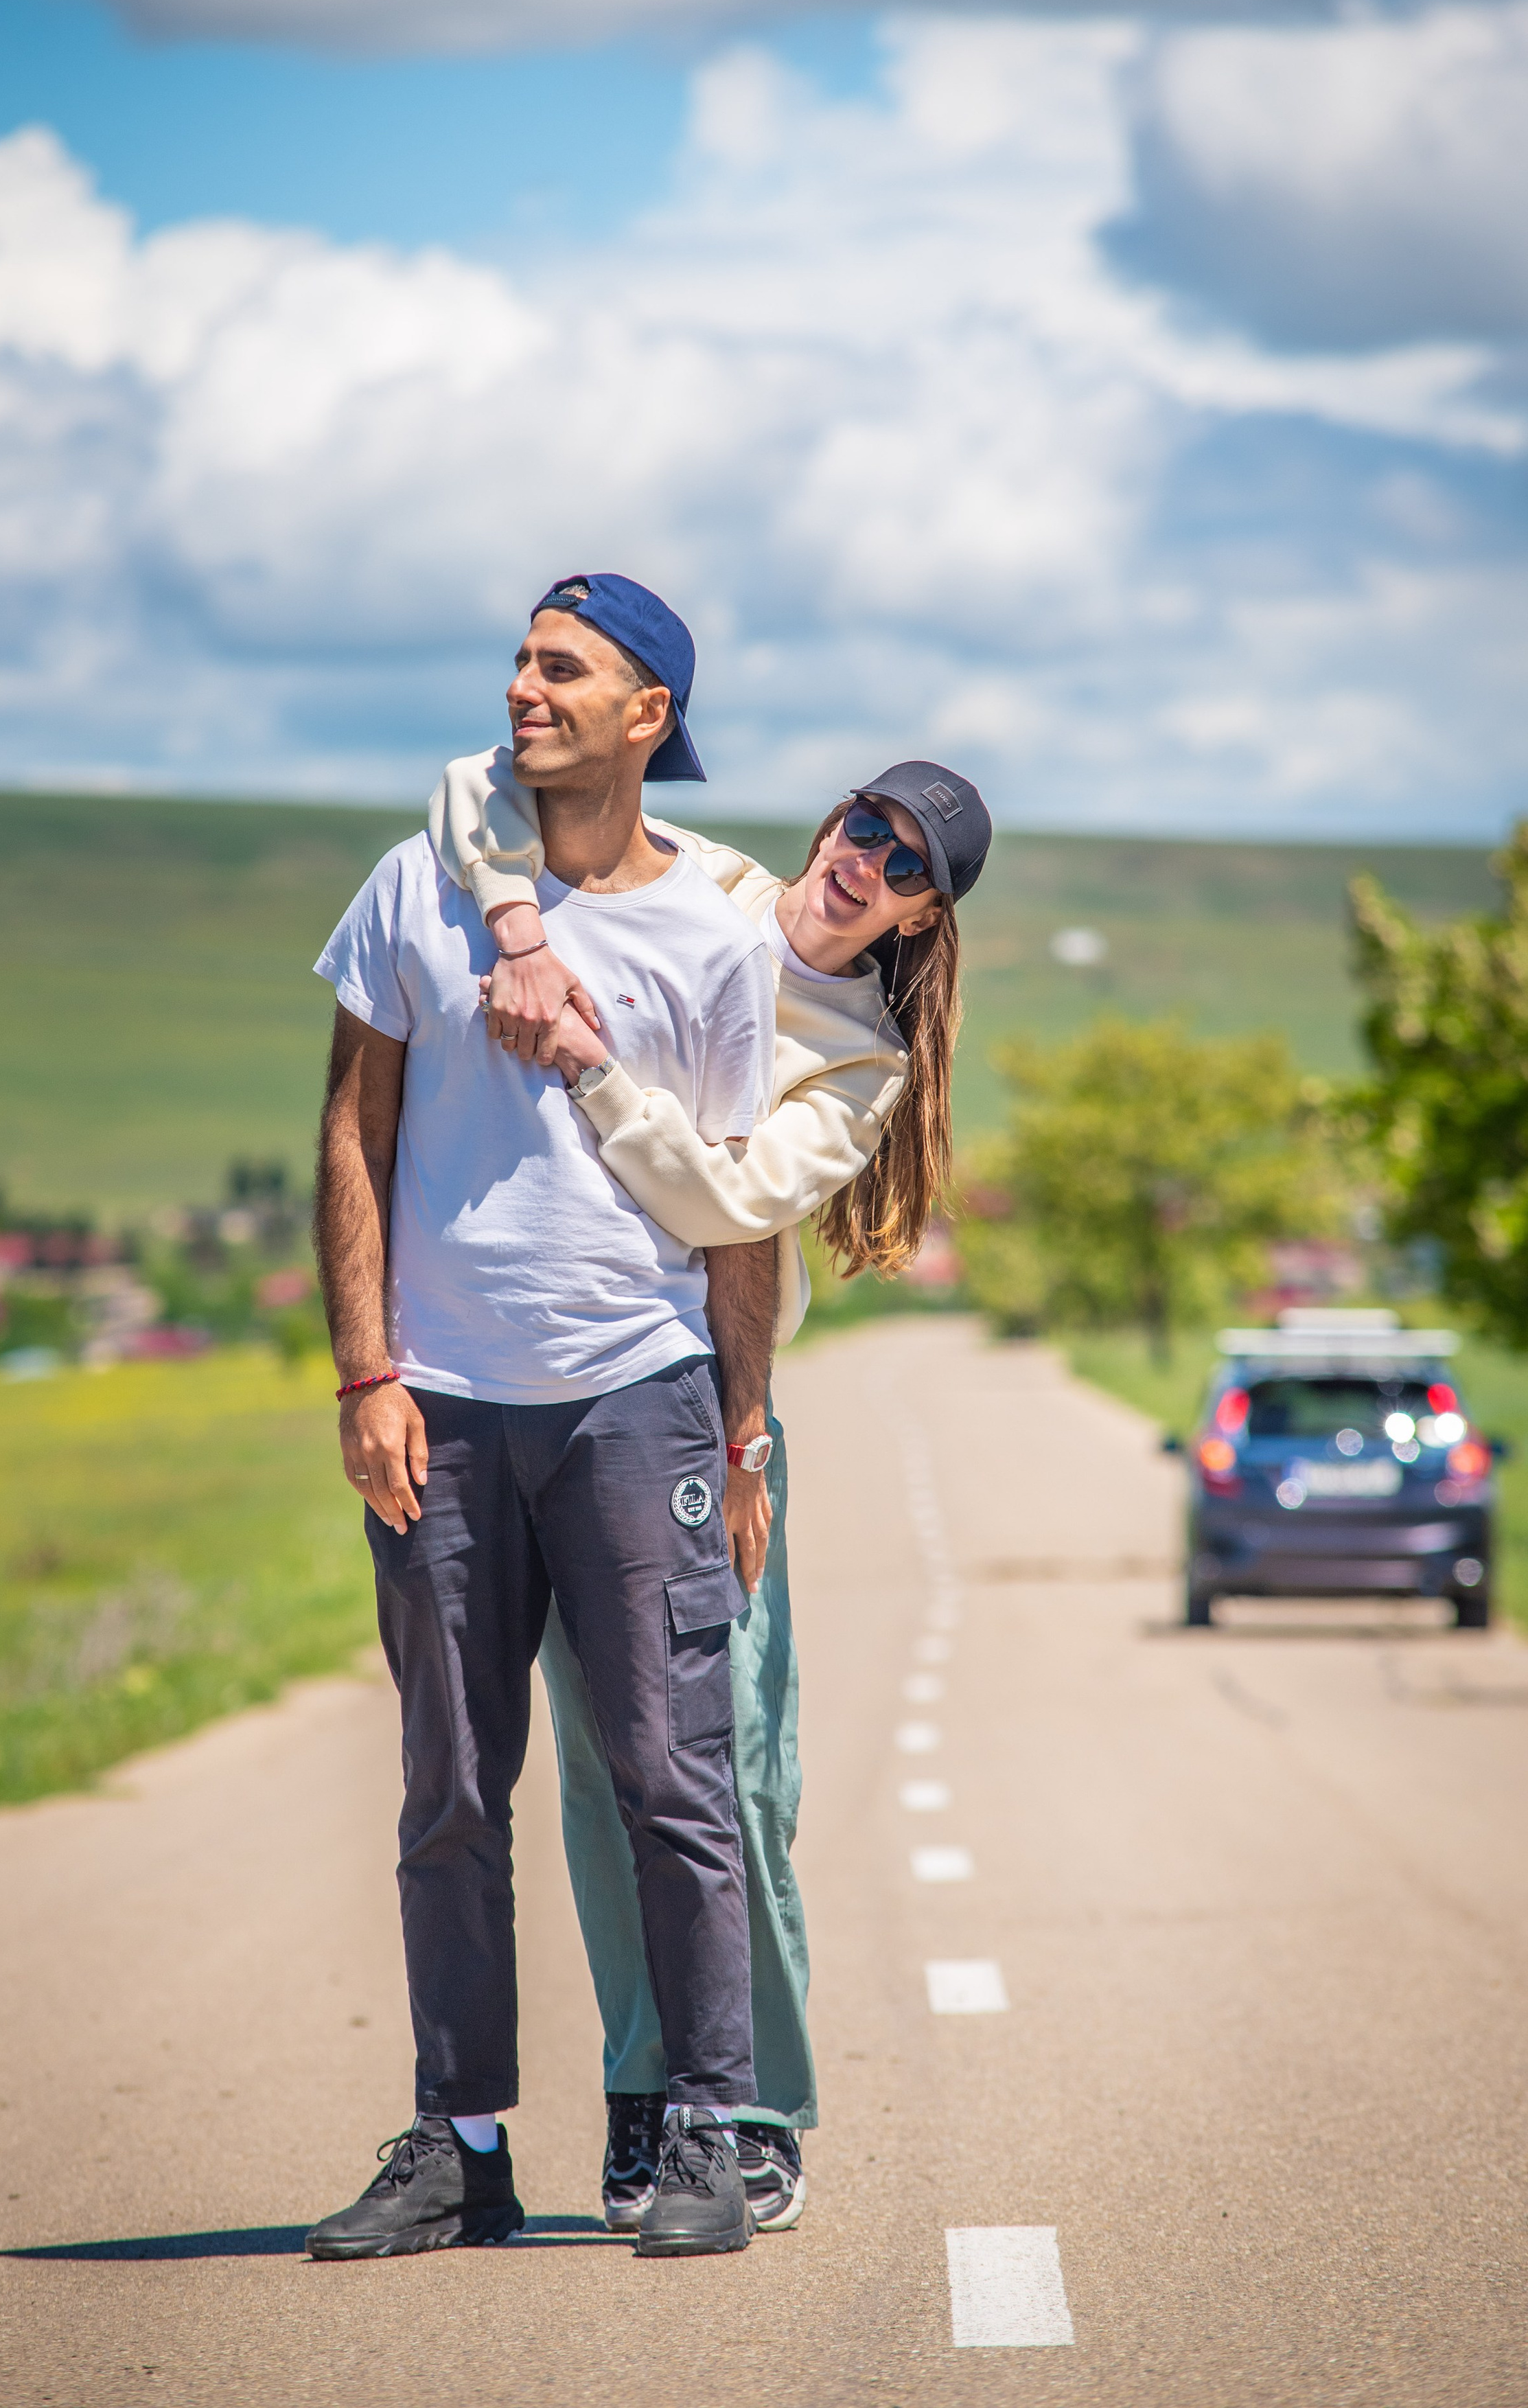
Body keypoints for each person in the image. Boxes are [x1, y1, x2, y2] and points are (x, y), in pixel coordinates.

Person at [428, 730, 992, 2233]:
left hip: (704, 1419)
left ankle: (752, 2105)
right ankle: (645, 2090)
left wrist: (591, 1061)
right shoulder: (719, 892)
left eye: (900, 866)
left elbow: (724, 1198)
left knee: (730, 1773)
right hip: (557, 1383)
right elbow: (475, 783)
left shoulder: (857, 1056)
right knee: (610, 1781)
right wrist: (522, 935)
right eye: (863, 825)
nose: (860, 862)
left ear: (919, 917)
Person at [305, 572, 784, 2262]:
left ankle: (711, 2133)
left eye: (563, 667)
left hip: (633, 1404)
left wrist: (740, 1428)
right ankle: (462, 2142)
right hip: (438, 1406)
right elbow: (350, 1136)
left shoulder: (719, 937)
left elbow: (735, 1208)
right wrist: (365, 1371)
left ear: (647, 713)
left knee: (673, 1776)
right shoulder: (416, 888)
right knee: (450, 1786)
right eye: (517, 659)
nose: (524, 688)